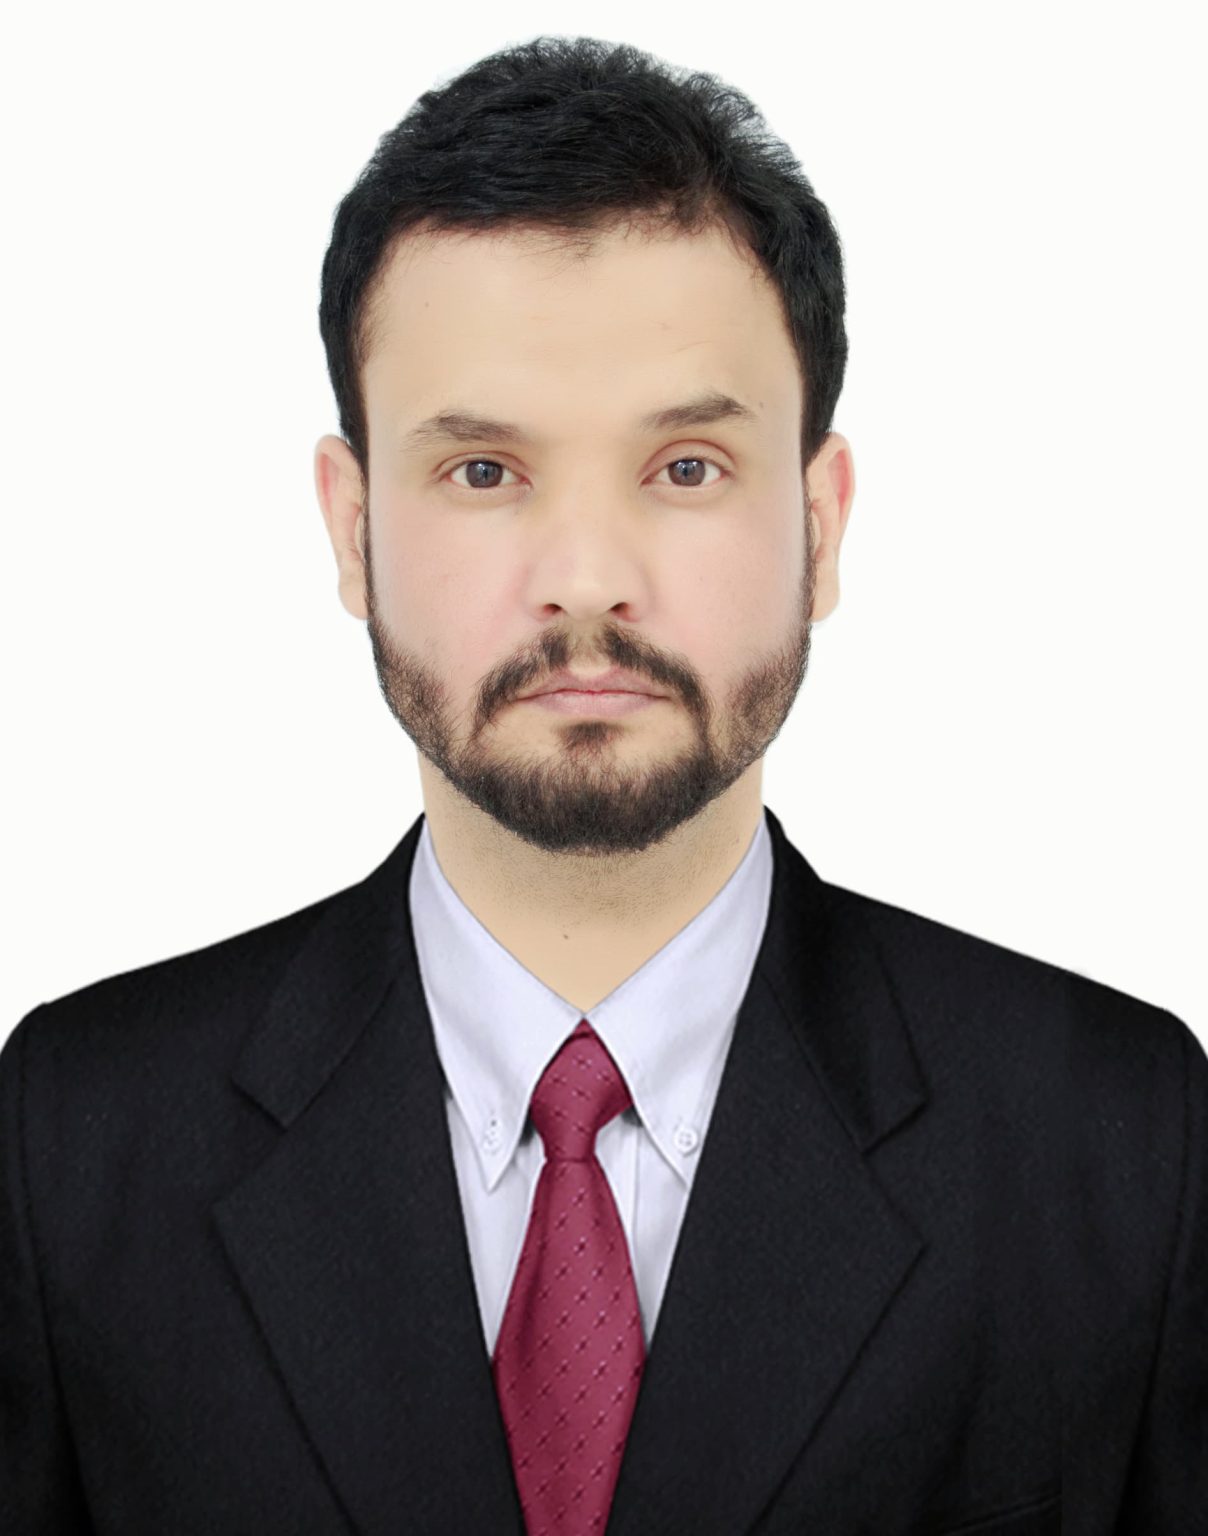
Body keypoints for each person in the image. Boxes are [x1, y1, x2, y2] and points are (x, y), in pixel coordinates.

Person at [2, 34, 1203, 1536]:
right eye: (484, 472)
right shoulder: (77, 1140)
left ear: (821, 526)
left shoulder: (1118, 1144)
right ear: (353, 528)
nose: (585, 579)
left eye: (686, 466)